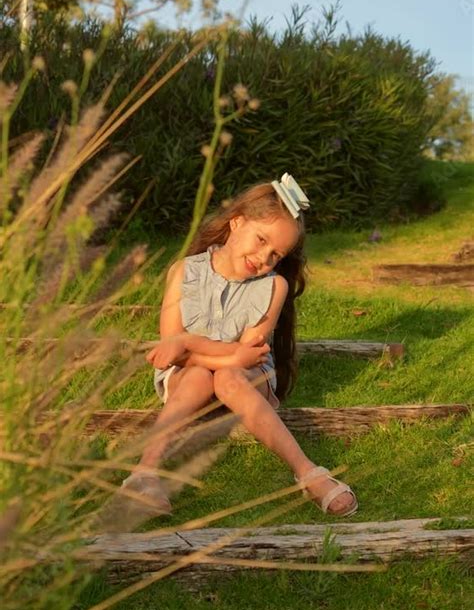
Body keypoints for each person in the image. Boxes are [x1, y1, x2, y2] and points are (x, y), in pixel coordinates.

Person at [112, 173, 358, 527]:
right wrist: (195, 348)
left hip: (246, 380)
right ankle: (144, 474)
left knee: (227, 376)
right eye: (261, 240)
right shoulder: (184, 272)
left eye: (275, 254)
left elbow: (247, 358)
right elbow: (172, 351)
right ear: (236, 222)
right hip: (187, 381)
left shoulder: (274, 286)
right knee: (199, 375)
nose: (263, 257)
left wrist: (190, 343)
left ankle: (307, 472)